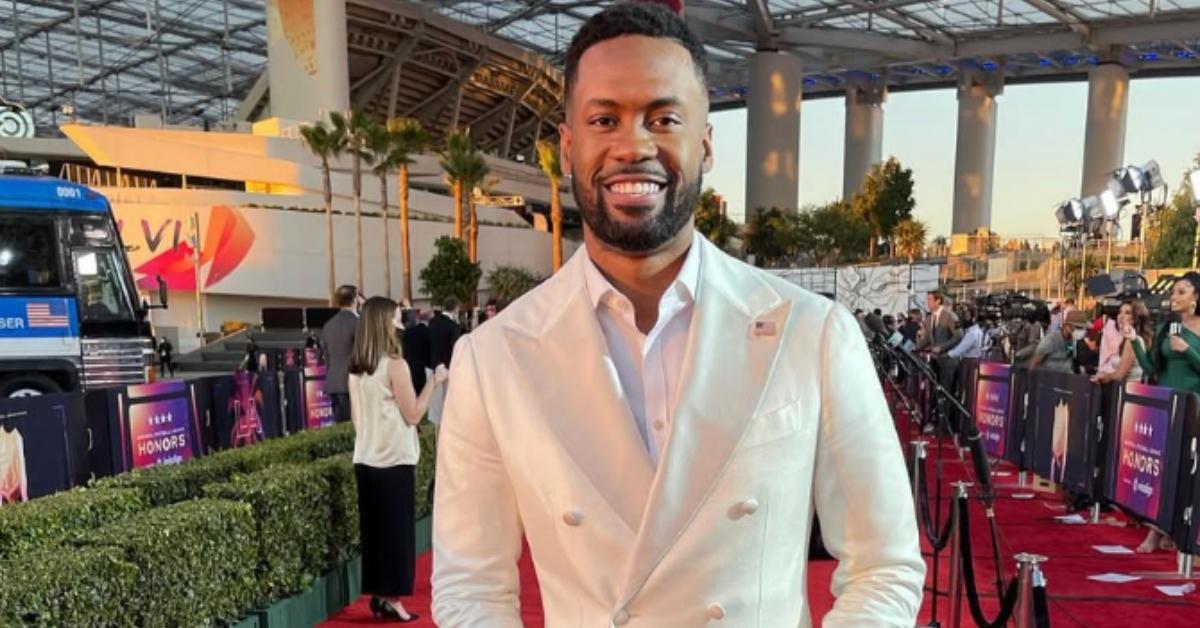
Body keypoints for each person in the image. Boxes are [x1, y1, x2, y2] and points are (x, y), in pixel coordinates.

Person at [430, 4, 924, 626]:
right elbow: (471, 589)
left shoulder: (813, 333)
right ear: (569, 143)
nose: (633, 145)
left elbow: (884, 565)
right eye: (604, 118)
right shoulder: (493, 358)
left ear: (706, 144)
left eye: (663, 118)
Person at [349, 297, 448, 623]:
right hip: (393, 460)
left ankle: (379, 595)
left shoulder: (356, 368)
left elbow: (356, 419)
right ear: (384, 323)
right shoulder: (395, 365)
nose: (402, 322)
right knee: (397, 535)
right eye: (397, 317)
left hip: (365, 458)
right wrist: (435, 381)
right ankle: (392, 599)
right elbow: (414, 414)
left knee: (376, 534)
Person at [1129, 273, 1200, 552]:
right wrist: (1134, 340)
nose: (1174, 297)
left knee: (1188, 473)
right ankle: (1156, 531)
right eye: (1173, 292)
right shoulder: (1168, 327)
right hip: (1167, 406)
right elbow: (1151, 369)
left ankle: (1180, 533)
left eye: (1181, 292)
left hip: (1195, 407)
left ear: (1196, 297)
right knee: (1164, 472)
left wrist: (1189, 352)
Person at [321, 285, 360, 423]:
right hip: (352, 384)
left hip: (333, 383)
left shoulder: (328, 325)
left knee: (340, 428)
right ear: (355, 300)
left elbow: (326, 356)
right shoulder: (358, 323)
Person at [1091, 299, 1151, 385]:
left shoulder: (1133, 341)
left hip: (1128, 393)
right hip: (1122, 390)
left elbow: (1119, 375)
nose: (1121, 316)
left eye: (1127, 313)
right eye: (1120, 312)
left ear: (1136, 318)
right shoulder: (1126, 339)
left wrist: (1103, 376)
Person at [428, 297, 463, 369]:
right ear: (456, 308)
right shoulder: (453, 326)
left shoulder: (432, 322)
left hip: (433, 365)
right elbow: (456, 349)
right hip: (448, 367)